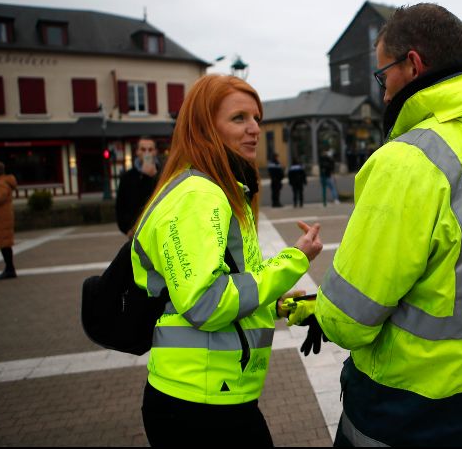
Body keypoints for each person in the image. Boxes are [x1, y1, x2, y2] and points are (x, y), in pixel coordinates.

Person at [286, 3, 462, 447]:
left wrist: (321, 309)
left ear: (413, 65)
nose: (384, 94)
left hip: (413, 413)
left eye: (383, 76)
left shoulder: (409, 160)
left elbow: (348, 319)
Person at [130, 74, 323, 447]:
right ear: (205, 128)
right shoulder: (198, 196)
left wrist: (280, 306)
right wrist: (294, 259)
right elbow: (206, 302)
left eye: (257, 118)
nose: (255, 129)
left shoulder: (224, 190)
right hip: (197, 403)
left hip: (215, 394)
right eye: (239, 118)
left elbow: (232, 284)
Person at [115, 136, 160, 238]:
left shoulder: (163, 174)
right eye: (143, 149)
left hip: (159, 229)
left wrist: (152, 178)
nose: (147, 153)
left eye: (150, 149)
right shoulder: (127, 177)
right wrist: (127, 229)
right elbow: (120, 207)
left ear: (155, 152)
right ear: (137, 152)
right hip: (136, 232)